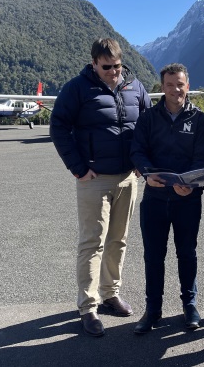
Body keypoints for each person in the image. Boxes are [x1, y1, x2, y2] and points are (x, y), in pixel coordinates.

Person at [50, 38, 151, 337]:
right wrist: (78, 168)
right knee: (92, 242)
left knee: (118, 240)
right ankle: (88, 306)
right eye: (106, 67)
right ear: (93, 63)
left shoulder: (136, 87)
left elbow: (148, 125)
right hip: (94, 180)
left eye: (117, 66)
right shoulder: (77, 88)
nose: (113, 72)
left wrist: (142, 162)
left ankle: (110, 294)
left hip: (128, 177)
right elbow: (59, 126)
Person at [130, 63, 204, 334]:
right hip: (154, 198)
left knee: (186, 253)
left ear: (187, 86)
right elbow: (138, 150)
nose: (175, 89)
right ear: (162, 87)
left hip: (187, 200)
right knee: (153, 256)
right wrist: (145, 173)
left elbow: (203, 157)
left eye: (180, 84)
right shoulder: (149, 118)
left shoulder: (199, 119)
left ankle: (189, 305)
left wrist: (190, 185)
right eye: (169, 85)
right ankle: (153, 309)